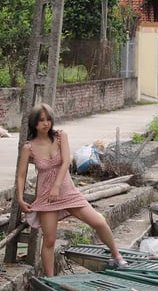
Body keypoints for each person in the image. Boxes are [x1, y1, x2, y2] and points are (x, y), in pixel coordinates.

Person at [15, 103, 127, 276]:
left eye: (48, 119)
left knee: (98, 222)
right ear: (34, 123)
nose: (46, 123)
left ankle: (116, 255)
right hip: (47, 198)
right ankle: (50, 278)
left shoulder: (60, 136)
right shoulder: (28, 148)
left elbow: (66, 161)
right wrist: (21, 199)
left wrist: (56, 186)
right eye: (41, 120)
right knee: (49, 241)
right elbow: (21, 175)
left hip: (68, 192)